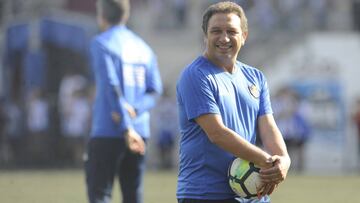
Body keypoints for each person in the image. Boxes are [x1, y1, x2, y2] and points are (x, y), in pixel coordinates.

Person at [176, 2, 291, 203]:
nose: (224, 38)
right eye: (216, 31)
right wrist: (267, 162)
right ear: (205, 36)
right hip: (206, 194)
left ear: (244, 36)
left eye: (231, 31)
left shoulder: (255, 77)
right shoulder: (196, 75)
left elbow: (269, 128)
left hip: (253, 194)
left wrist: (283, 161)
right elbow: (217, 133)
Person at [85, 0, 163, 203]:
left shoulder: (101, 43)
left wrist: (125, 127)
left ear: (101, 14)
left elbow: (111, 88)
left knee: (100, 194)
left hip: (109, 131)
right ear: (126, 15)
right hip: (140, 132)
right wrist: (134, 110)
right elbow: (155, 91)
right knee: (132, 195)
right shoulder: (144, 48)